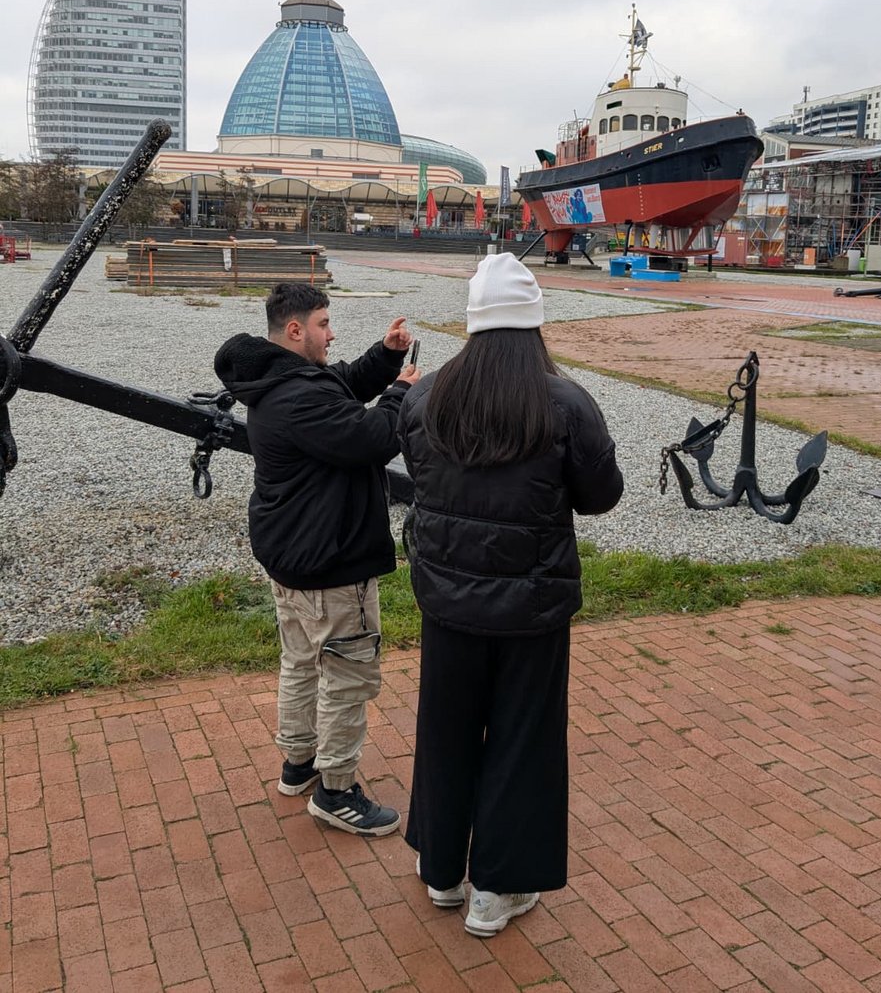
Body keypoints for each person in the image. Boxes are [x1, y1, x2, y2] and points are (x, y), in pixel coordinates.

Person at [397, 252, 624, 935]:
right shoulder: (563, 402)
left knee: (445, 728)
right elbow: (600, 496)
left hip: (446, 595)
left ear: (472, 321)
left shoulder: (423, 395)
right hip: (531, 602)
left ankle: (439, 868)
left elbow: (419, 477)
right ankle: (497, 890)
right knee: (521, 738)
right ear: (534, 323)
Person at [214, 282, 419, 836]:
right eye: (325, 324)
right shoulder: (297, 397)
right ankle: (336, 791)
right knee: (347, 674)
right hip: (331, 559)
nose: (332, 334)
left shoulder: (282, 377)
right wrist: (401, 392)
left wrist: (387, 355)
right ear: (295, 330)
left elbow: (343, 386)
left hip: (294, 554)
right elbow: (373, 436)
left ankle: (299, 763)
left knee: (302, 661)